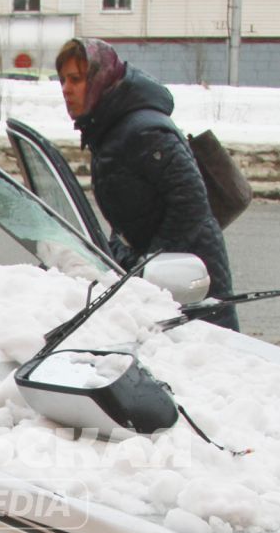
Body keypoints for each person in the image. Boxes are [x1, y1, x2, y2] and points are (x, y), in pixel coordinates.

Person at [54, 36, 238, 329]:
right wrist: (118, 252)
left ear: (100, 78)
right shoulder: (108, 127)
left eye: (75, 79)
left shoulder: (142, 130)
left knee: (204, 360)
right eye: (62, 80)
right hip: (162, 274)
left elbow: (190, 201)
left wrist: (152, 265)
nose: (66, 89)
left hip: (189, 277)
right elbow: (131, 210)